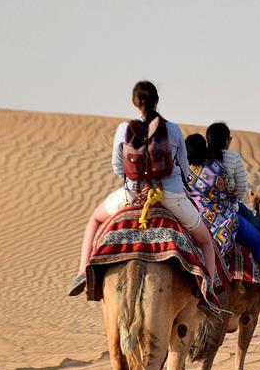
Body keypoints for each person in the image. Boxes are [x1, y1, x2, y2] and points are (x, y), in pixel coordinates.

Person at [68, 81, 222, 314]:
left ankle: (82, 273)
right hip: (170, 196)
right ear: (157, 101)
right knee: (205, 241)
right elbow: (184, 168)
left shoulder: (124, 129)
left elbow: (117, 167)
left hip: (133, 195)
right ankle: (208, 294)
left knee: (95, 220)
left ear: (134, 102)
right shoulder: (172, 129)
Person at [184, 130, 260, 303]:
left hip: (195, 221)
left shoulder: (184, 172)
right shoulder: (216, 167)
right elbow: (233, 193)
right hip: (223, 221)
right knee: (258, 239)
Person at [204, 122, 260, 270]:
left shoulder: (201, 157)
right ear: (227, 141)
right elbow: (242, 188)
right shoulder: (233, 157)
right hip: (230, 207)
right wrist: (236, 203)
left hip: (202, 209)